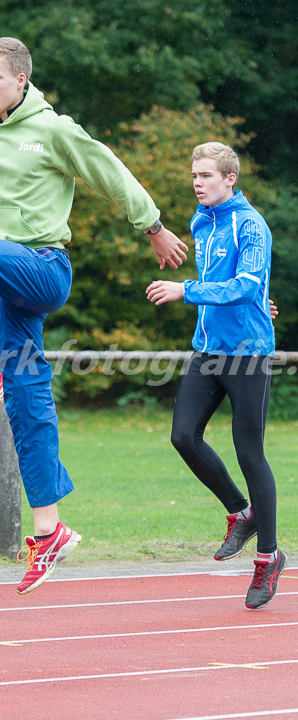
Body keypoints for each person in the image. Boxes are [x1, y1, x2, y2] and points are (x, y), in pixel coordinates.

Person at [0, 37, 188, 595]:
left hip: (44, 269)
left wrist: (154, 225)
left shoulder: (54, 130)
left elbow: (110, 173)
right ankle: (48, 530)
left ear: (22, 80)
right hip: (1, 288)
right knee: (28, 400)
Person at [146, 141, 286, 610]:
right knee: (184, 436)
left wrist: (185, 290)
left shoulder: (252, 224)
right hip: (207, 351)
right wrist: (247, 298)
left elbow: (247, 284)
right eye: (194, 176)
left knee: (250, 453)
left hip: (248, 354)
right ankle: (240, 512)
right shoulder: (199, 223)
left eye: (206, 176)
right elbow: (240, 286)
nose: (198, 183)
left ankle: (268, 557)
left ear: (230, 179)